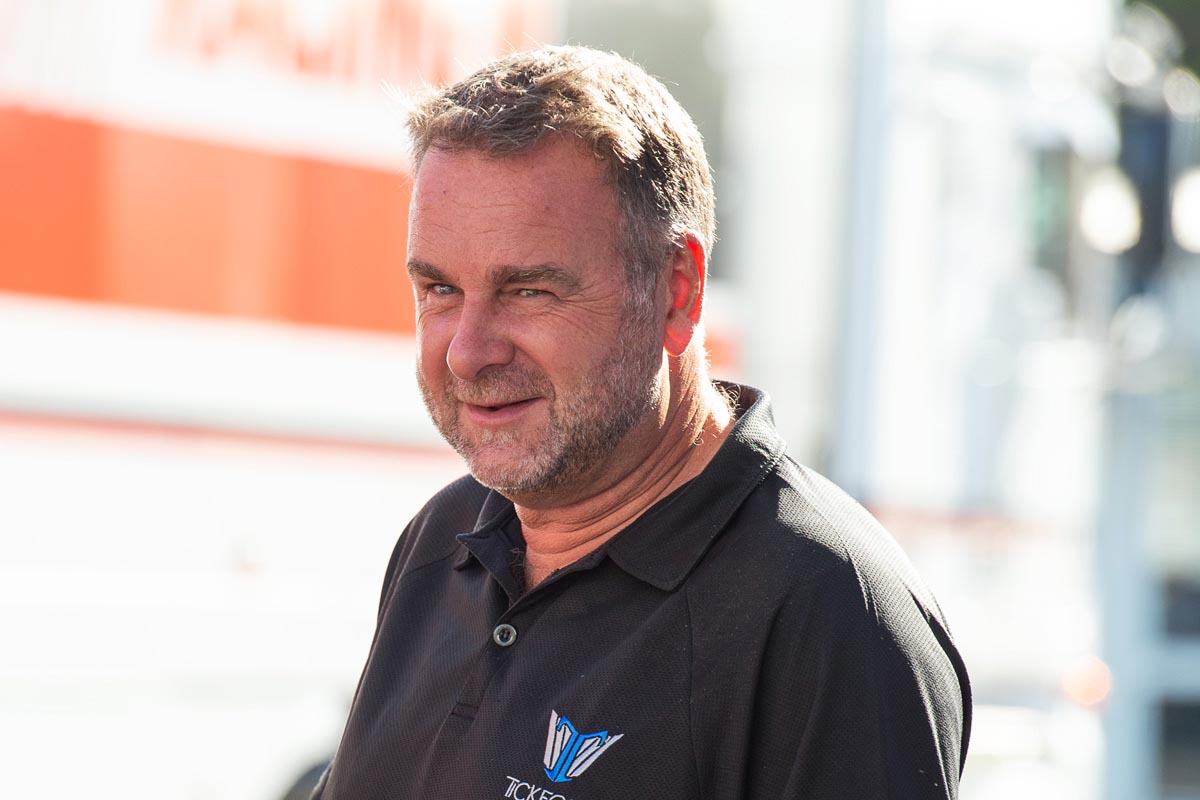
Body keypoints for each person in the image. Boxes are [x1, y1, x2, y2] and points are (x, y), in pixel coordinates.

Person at [312, 45, 971, 800]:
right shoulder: (445, 540)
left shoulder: (827, 613)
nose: (467, 351)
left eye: (529, 291)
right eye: (439, 290)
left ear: (677, 291)